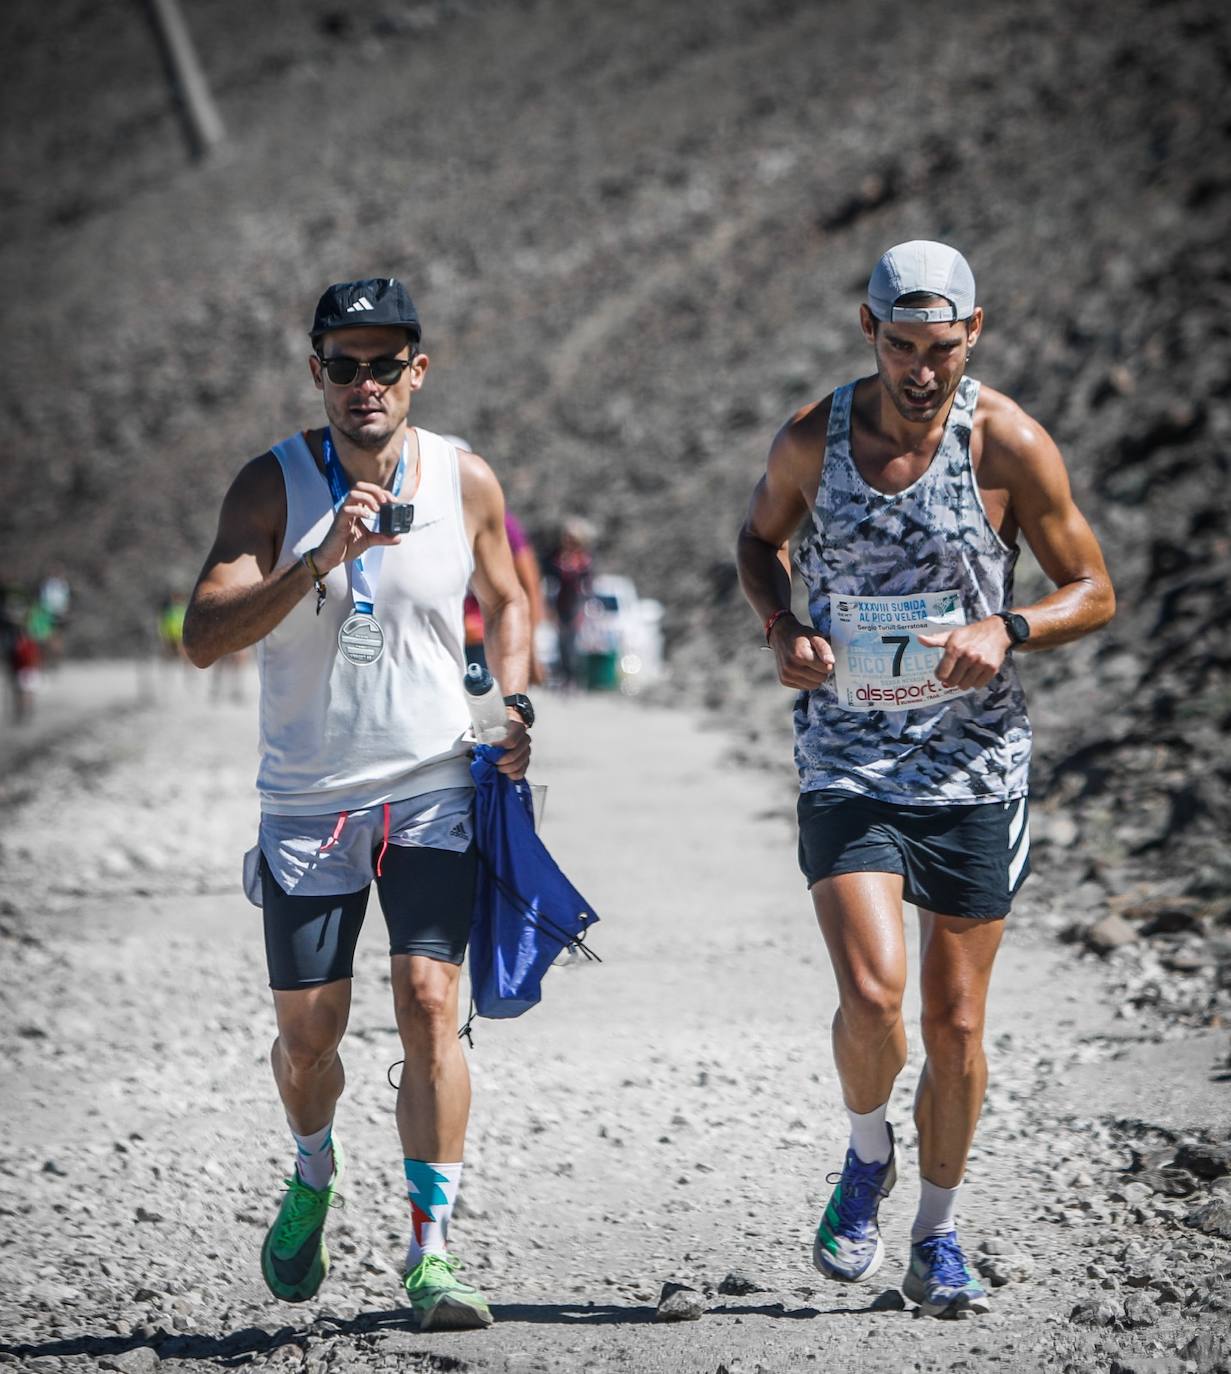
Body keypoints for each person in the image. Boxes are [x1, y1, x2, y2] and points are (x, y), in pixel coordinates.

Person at [736, 241, 1114, 1318]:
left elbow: (1093, 587)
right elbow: (757, 543)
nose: (919, 370)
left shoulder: (1009, 443)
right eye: (899, 346)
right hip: (847, 752)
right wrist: (780, 624)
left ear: (974, 334)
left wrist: (1010, 625)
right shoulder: (815, 438)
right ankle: (865, 1158)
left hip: (972, 763)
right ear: (868, 332)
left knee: (953, 1027)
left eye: (939, 349)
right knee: (871, 994)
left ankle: (936, 1236)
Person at [182, 277, 534, 1331]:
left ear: (417, 371)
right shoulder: (271, 485)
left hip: (431, 790)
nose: (365, 382)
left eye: (386, 363)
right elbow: (201, 637)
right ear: (317, 372)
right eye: (345, 363)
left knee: (432, 1005)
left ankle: (431, 1256)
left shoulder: (465, 475)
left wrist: (512, 705)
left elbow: (510, 599)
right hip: (308, 805)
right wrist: (317, 560)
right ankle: (312, 1171)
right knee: (310, 1040)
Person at [443, 435, 547, 686]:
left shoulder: (501, 521)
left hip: (481, 636)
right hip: (441, 636)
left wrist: (530, 647)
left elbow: (528, 583)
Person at [545, 517, 594, 689]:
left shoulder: (584, 560)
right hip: (559, 604)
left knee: (572, 644)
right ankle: (563, 677)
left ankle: (573, 678)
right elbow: (550, 583)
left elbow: (586, 587)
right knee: (560, 643)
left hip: (576, 605)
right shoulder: (556, 557)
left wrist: (583, 611)